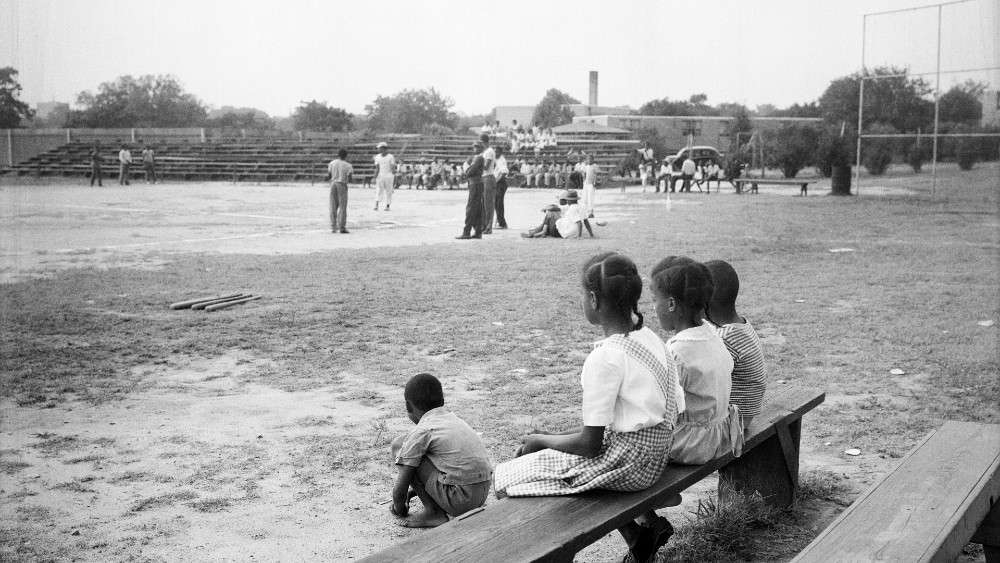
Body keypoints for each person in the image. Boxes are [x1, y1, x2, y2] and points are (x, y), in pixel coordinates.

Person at [493, 252, 680, 563]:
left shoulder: (606, 357)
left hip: (631, 466)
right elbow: (614, 426)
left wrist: (540, 441)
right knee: (551, 458)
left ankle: (554, 555)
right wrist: (548, 437)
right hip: (655, 453)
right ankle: (638, 535)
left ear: (593, 299)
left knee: (508, 478)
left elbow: (590, 444)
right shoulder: (649, 338)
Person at [649, 259, 743, 465]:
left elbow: (660, 410)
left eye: (655, 300)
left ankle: (663, 497)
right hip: (720, 434)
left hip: (692, 444)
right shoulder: (711, 332)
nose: (653, 307)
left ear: (671, 304)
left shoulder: (677, 350)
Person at [390, 373, 492, 528]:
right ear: (442, 401)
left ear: (408, 406)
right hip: (482, 493)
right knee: (419, 451)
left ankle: (433, 513)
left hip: (459, 499)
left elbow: (399, 491)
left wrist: (399, 508)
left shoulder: (422, 430)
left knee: (401, 445)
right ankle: (437, 505)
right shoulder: (455, 420)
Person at [704, 260, 766, 430]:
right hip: (745, 414)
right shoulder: (741, 325)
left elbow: (704, 382)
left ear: (704, 301)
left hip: (733, 422)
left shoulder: (725, 339)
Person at [456, 141, 485, 239]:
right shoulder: (476, 158)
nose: (475, 149)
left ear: (481, 149)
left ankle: (466, 232)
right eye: (474, 147)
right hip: (475, 183)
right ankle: (478, 232)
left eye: (477, 147)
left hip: (475, 184)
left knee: (471, 208)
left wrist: (466, 168)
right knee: (476, 209)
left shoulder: (479, 158)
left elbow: (470, 172)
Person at [328, 148, 353, 234]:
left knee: (333, 205)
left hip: (333, 184)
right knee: (342, 206)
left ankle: (333, 226)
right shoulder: (348, 165)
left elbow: (329, 175)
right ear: (346, 156)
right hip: (342, 184)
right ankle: (342, 227)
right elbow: (350, 178)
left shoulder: (332, 163)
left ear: (338, 155)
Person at [480, 134, 497, 235]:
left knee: (488, 204)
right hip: (485, 178)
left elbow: (486, 166)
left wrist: (477, 163)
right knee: (484, 204)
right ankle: (485, 225)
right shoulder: (486, 151)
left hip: (488, 177)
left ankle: (489, 227)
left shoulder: (489, 151)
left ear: (484, 142)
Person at [373, 142, 396, 211]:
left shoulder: (390, 156)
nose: (378, 150)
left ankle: (387, 205)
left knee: (389, 191)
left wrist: (393, 175)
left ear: (383, 148)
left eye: (379, 148)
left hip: (389, 176)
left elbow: (392, 167)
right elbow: (377, 168)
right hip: (380, 176)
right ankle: (376, 205)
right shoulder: (377, 157)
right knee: (379, 190)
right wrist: (375, 177)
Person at [493, 146, 509, 230]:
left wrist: (495, 182)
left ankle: (502, 223)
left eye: (497, 152)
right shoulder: (496, 159)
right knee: (497, 203)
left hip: (501, 183)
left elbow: (503, 173)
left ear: (500, 152)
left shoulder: (502, 160)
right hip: (498, 182)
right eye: (495, 151)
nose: (495, 153)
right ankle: (500, 221)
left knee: (499, 204)